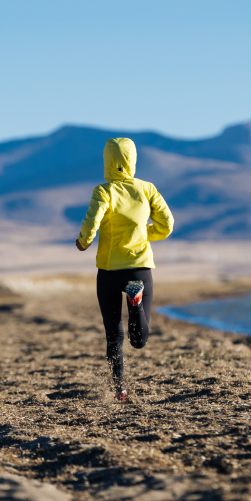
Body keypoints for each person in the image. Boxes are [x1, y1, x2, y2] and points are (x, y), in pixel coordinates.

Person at [75, 137, 174, 402]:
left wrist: (83, 241)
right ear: (133, 160)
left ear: (107, 161)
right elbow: (167, 224)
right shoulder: (147, 189)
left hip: (108, 270)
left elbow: (92, 220)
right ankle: (136, 302)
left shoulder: (103, 191)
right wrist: (144, 233)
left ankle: (120, 389)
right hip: (139, 269)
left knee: (114, 335)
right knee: (138, 339)